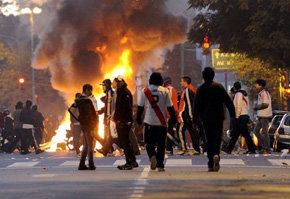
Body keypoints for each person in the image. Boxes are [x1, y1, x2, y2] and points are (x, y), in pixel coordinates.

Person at [193, 67, 235, 172]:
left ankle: (211, 161)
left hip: (206, 118)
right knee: (217, 138)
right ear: (213, 75)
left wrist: (194, 120)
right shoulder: (219, 87)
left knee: (209, 139)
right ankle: (216, 154)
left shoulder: (201, 89)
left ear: (203, 76)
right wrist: (232, 114)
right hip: (218, 117)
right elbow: (228, 102)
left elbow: (196, 106)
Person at [137, 73, 177, 172]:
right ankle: (160, 164)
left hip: (149, 121)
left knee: (148, 143)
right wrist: (174, 120)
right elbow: (170, 107)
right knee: (161, 144)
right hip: (162, 122)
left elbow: (140, 107)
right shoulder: (165, 91)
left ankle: (152, 156)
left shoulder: (145, 91)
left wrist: (138, 119)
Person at [114, 76, 138, 170]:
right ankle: (133, 161)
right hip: (121, 121)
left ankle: (130, 162)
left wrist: (123, 120)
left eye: (119, 82)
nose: (118, 83)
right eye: (117, 82)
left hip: (124, 121)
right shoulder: (120, 92)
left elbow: (127, 109)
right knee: (124, 141)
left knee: (125, 142)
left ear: (123, 82)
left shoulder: (125, 93)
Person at [225, 82, 256, 154]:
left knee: (241, 134)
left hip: (240, 116)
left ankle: (251, 149)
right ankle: (229, 149)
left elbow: (237, 106)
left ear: (234, 87)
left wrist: (236, 116)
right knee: (237, 134)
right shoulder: (244, 94)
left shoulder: (238, 94)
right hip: (244, 115)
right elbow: (247, 106)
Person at [76, 84, 97, 170]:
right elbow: (89, 114)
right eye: (90, 90)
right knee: (90, 145)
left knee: (86, 144)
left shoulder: (79, 100)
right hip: (88, 125)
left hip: (83, 124)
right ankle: (91, 164)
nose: (91, 92)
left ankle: (82, 164)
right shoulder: (86, 101)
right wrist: (93, 125)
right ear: (87, 90)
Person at [177, 76, 200, 155]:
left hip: (186, 115)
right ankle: (196, 149)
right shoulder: (192, 89)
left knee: (180, 130)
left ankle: (183, 148)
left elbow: (189, 104)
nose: (181, 83)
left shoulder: (187, 90)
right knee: (193, 132)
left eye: (181, 81)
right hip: (189, 115)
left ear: (185, 82)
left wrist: (191, 115)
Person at [253, 79, 272, 154]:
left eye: (256, 84)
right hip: (261, 115)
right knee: (256, 131)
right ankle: (262, 146)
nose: (255, 85)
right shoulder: (262, 93)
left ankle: (267, 148)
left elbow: (265, 104)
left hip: (264, 115)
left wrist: (256, 107)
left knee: (265, 132)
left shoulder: (264, 93)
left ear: (260, 85)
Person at [163, 76, 179, 155]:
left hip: (170, 114)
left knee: (169, 132)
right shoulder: (171, 89)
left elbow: (169, 103)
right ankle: (169, 148)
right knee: (170, 132)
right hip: (171, 113)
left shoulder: (169, 89)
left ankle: (174, 145)